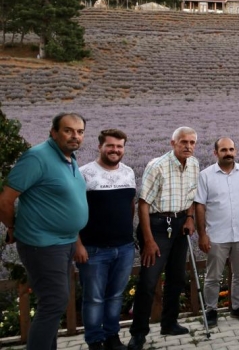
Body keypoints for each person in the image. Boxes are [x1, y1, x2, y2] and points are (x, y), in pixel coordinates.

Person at [0, 113, 88, 350]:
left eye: (79, 132)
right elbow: (5, 200)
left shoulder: (69, 158)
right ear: (53, 132)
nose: (75, 136)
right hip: (43, 243)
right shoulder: (37, 157)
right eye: (68, 130)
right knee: (55, 302)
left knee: (54, 303)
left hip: (65, 241)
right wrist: (12, 227)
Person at [128, 127, 199, 350]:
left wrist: (189, 218)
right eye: (183, 142)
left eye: (192, 142)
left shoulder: (194, 164)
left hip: (179, 226)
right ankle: (138, 333)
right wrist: (148, 240)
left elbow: (191, 195)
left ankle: (169, 323)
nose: (188, 146)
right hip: (157, 226)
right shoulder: (156, 166)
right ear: (172, 143)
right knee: (148, 281)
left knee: (177, 277)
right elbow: (143, 204)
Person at [76, 129, 136, 350]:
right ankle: (94, 341)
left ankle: (112, 337)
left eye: (119, 146)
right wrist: (78, 244)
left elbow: (130, 205)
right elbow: (73, 212)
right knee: (93, 298)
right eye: (110, 146)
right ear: (99, 146)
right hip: (93, 249)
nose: (115, 150)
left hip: (124, 247)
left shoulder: (129, 172)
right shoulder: (83, 174)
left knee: (115, 296)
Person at [194, 137, 239, 326]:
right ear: (215, 153)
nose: (228, 153)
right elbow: (199, 206)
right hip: (216, 235)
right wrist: (202, 234)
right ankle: (211, 310)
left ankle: (237, 306)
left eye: (231, 149)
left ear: (235, 151)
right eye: (223, 150)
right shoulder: (205, 175)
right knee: (213, 276)